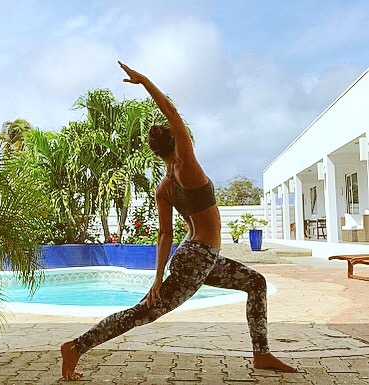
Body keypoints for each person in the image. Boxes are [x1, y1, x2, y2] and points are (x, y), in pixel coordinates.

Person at [60, 61, 297, 381]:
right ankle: (76, 347)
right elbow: (171, 111)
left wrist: (157, 278)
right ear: (174, 140)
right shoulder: (186, 166)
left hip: (197, 255)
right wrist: (144, 81)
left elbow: (165, 235)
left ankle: (262, 353)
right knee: (146, 313)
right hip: (198, 256)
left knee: (255, 282)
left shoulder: (165, 187)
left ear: (154, 151)